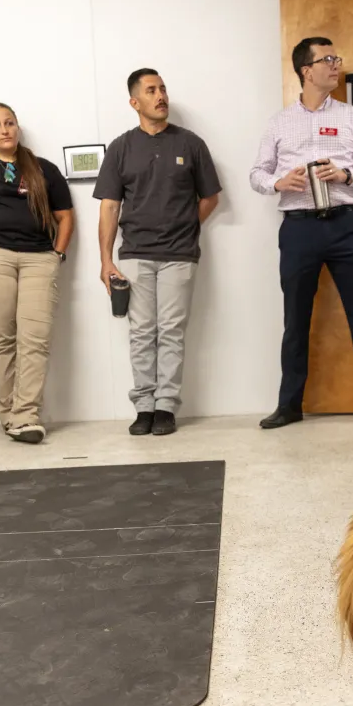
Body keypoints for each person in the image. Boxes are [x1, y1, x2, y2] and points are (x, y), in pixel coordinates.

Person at [249, 36, 353, 430]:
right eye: (327, 59)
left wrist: (346, 174)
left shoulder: (352, 117)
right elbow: (256, 174)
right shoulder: (279, 122)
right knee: (295, 320)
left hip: (344, 226)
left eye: (336, 57)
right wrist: (279, 183)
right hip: (298, 230)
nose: (336, 64)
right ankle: (290, 405)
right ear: (306, 70)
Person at [94, 69, 221, 436]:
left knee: (171, 331)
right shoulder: (121, 147)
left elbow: (210, 197)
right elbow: (109, 207)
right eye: (151, 91)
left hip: (180, 254)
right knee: (141, 331)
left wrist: (185, 224)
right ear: (135, 102)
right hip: (134, 253)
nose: (161, 95)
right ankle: (144, 406)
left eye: (163, 88)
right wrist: (106, 260)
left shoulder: (191, 144)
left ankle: (166, 406)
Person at [0, 102, 74, 444]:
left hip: (38, 258)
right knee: (2, 338)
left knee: (34, 338)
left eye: (9, 123)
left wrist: (57, 254)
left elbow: (65, 216)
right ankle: (9, 417)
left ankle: (26, 415)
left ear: (17, 127)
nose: (4, 130)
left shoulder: (44, 170)